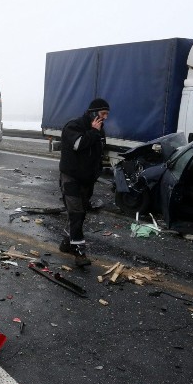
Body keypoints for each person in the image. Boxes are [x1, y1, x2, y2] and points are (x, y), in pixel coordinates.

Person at [58, 98, 110, 264]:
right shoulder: (73, 126)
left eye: (107, 114)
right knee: (76, 213)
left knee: (81, 213)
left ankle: (67, 242)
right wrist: (94, 132)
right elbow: (79, 144)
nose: (106, 117)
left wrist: (97, 172)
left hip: (87, 180)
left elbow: (99, 152)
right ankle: (79, 253)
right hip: (71, 178)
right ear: (93, 113)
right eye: (103, 114)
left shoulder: (99, 129)